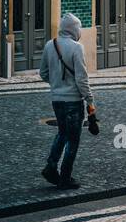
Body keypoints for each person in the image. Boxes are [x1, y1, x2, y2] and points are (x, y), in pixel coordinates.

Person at [38, 13, 97, 190]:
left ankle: (50, 166)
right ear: (73, 29)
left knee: (62, 134)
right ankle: (65, 177)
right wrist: (90, 100)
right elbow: (81, 78)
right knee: (73, 140)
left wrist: (57, 85)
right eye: (78, 27)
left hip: (56, 100)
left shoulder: (50, 44)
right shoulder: (76, 47)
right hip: (73, 102)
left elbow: (43, 73)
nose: (79, 30)